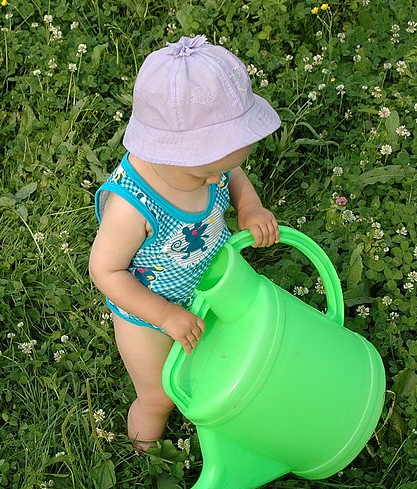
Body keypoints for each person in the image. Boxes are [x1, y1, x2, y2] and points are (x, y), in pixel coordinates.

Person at [88, 34, 281, 450]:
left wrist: (249, 207)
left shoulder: (209, 166)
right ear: (165, 151)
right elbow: (105, 271)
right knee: (159, 396)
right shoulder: (133, 205)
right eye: (208, 174)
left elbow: (232, 176)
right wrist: (165, 315)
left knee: (221, 359)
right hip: (147, 313)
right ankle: (144, 457)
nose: (219, 180)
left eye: (226, 168)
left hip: (207, 287)